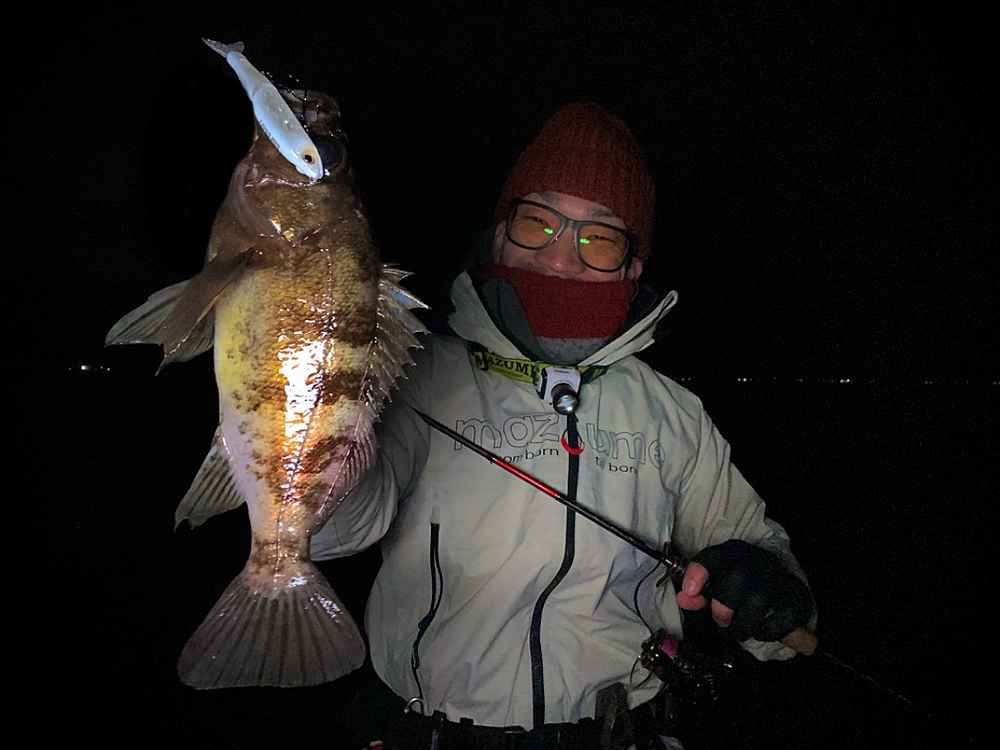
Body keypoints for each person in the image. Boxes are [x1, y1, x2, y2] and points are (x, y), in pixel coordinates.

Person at [311, 102, 815, 749]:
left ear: (632, 265)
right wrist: (307, 432)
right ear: (500, 234)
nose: (559, 257)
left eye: (598, 237)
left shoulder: (671, 412)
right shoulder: (413, 373)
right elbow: (338, 531)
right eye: (537, 222)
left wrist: (770, 587)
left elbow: (757, 550)